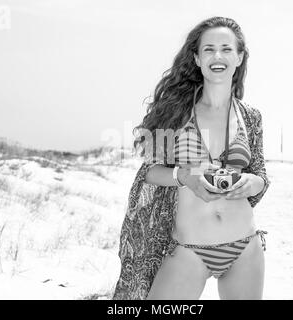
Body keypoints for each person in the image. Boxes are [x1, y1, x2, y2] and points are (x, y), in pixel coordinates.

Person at [113, 16, 271, 300]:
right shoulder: (176, 111)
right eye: (208, 49)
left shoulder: (251, 116)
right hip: (188, 250)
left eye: (226, 48)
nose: (217, 55)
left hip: (245, 246)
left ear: (239, 57)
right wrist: (183, 176)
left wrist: (251, 182)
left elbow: (260, 174)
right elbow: (148, 173)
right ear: (197, 58)